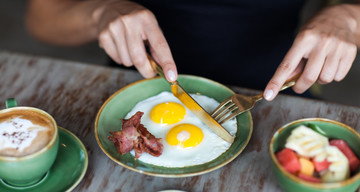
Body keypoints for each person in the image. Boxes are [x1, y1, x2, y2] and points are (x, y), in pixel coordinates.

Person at [25, 0, 360, 101]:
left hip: (276, 90)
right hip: (138, 87)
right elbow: (43, 20)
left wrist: (349, 16)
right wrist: (98, 14)